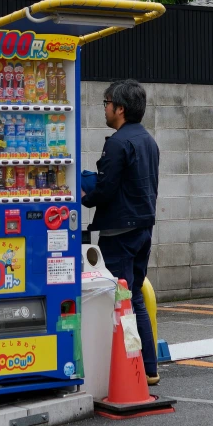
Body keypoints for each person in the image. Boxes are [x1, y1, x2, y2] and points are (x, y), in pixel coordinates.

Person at [81, 79, 160, 385]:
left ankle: (127, 370)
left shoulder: (117, 143)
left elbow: (105, 189)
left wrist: (81, 196)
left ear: (120, 108)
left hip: (118, 234)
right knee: (135, 297)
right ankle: (148, 368)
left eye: (106, 103)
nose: (105, 108)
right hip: (143, 230)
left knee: (118, 299)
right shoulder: (148, 141)